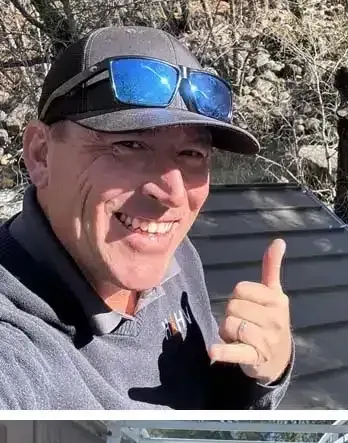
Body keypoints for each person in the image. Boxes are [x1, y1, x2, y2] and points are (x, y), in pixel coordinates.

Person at [0, 26, 294, 409]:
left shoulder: (173, 255)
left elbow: (207, 402)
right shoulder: (16, 349)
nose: (172, 194)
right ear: (41, 154)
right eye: (130, 144)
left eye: (191, 154)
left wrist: (264, 373)